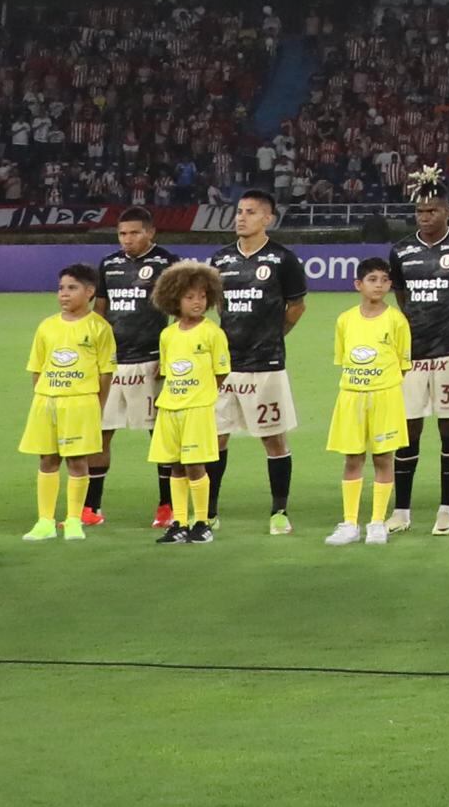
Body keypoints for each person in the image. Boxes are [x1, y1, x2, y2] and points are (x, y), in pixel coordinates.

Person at [386, 168, 449, 537]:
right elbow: (402, 301)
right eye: (419, 212)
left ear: (447, 211)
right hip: (412, 357)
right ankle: (401, 510)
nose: (425, 217)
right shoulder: (401, 251)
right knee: (408, 432)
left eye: (432, 211)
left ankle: (447, 509)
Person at [206, 190, 310, 535]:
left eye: (250, 212)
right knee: (217, 437)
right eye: (239, 211)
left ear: (268, 218)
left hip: (267, 364)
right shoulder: (219, 260)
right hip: (225, 366)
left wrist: (274, 336)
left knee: (274, 438)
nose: (241, 217)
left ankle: (279, 511)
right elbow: (217, 306)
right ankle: (209, 511)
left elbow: (296, 306)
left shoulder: (283, 260)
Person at [89, 203, 181, 530]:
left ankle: (167, 506)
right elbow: (99, 313)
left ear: (150, 232)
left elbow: (182, 314)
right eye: (122, 233)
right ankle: (91, 507)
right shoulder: (109, 264)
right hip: (113, 364)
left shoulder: (167, 263)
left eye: (134, 233)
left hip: (151, 361)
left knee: (160, 436)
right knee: (100, 432)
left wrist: (169, 358)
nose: (127, 239)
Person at [321, 258, 413, 545]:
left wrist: (381, 384)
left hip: (385, 396)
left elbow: (403, 363)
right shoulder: (345, 320)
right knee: (352, 459)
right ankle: (350, 523)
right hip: (351, 396)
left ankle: (376, 522)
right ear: (358, 284)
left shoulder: (397, 320)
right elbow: (343, 359)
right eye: (372, 279)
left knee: (384, 458)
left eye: (384, 280)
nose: (379, 285)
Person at [18, 264, 112, 542]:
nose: (64, 294)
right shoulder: (47, 326)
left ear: (90, 292)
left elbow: (106, 371)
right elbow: (37, 367)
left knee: (77, 461)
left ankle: (73, 520)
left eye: (72, 288)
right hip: (47, 402)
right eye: (61, 288)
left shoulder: (99, 327)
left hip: (81, 402)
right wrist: (43, 396)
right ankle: (45, 521)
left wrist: (98, 404)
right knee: (47, 458)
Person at [147, 262, 230, 545]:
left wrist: (201, 397)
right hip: (170, 409)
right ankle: (179, 523)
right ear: (174, 300)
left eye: (203, 296)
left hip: (197, 409)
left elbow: (221, 373)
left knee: (196, 466)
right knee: (175, 467)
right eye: (190, 297)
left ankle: (202, 522)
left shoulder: (212, 333)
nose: (198, 302)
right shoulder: (167, 335)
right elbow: (168, 372)